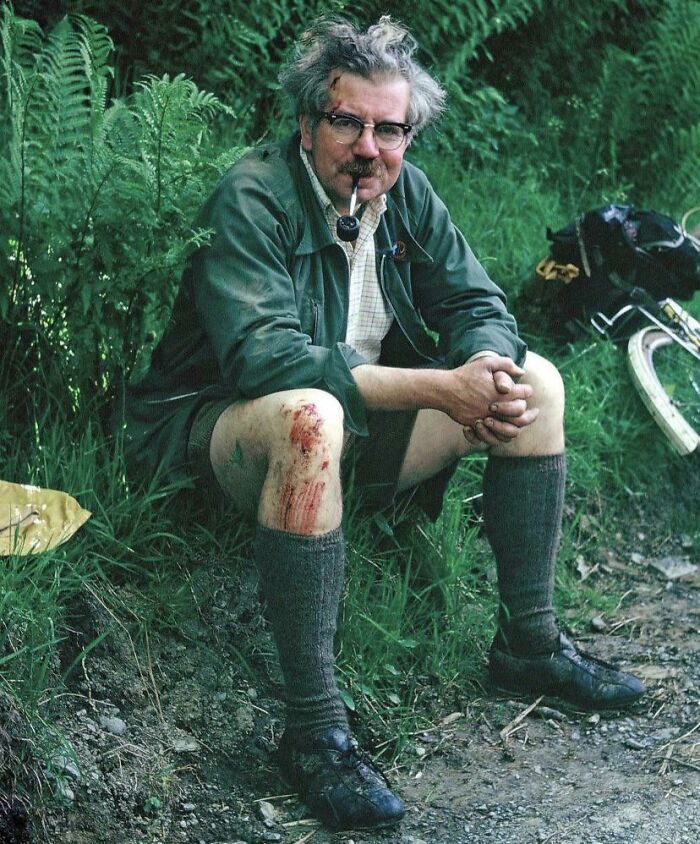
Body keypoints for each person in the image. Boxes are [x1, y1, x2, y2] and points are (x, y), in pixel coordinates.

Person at [118, 17, 645, 831]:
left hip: (352, 440)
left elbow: (478, 304)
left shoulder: (406, 197)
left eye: (389, 128)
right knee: (309, 414)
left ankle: (529, 647)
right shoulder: (252, 195)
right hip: (215, 440)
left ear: (409, 132)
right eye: (347, 122)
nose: (369, 147)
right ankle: (314, 730)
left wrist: (483, 370)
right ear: (306, 123)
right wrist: (440, 386)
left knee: (535, 380)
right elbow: (267, 361)